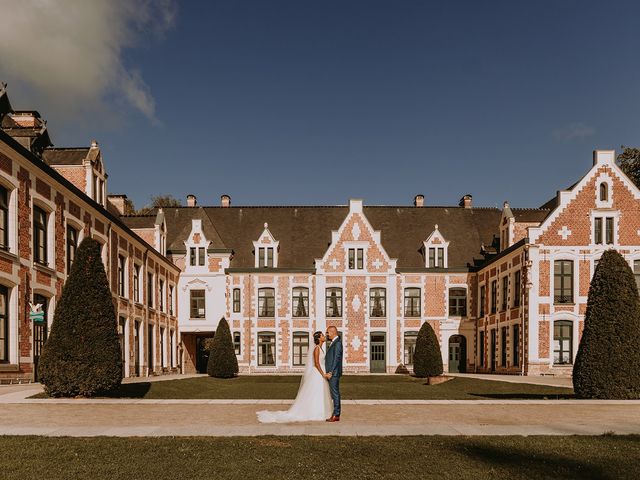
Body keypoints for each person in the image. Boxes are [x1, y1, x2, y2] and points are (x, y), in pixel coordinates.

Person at [256, 331, 332, 423]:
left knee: (320, 392)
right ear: (319, 338)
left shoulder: (321, 348)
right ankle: (315, 412)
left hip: (321, 372)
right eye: (323, 335)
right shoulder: (316, 349)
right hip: (317, 373)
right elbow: (316, 363)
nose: (324, 337)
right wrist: (323, 374)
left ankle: (321, 411)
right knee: (316, 392)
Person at [324, 326, 343, 422]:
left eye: (327, 332)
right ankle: (335, 413)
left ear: (332, 332)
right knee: (334, 393)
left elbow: (336, 359)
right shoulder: (334, 342)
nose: (327, 334)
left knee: (335, 394)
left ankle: (336, 414)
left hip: (333, 373)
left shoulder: (338, 343)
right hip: (332, 372)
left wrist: (331, 372)